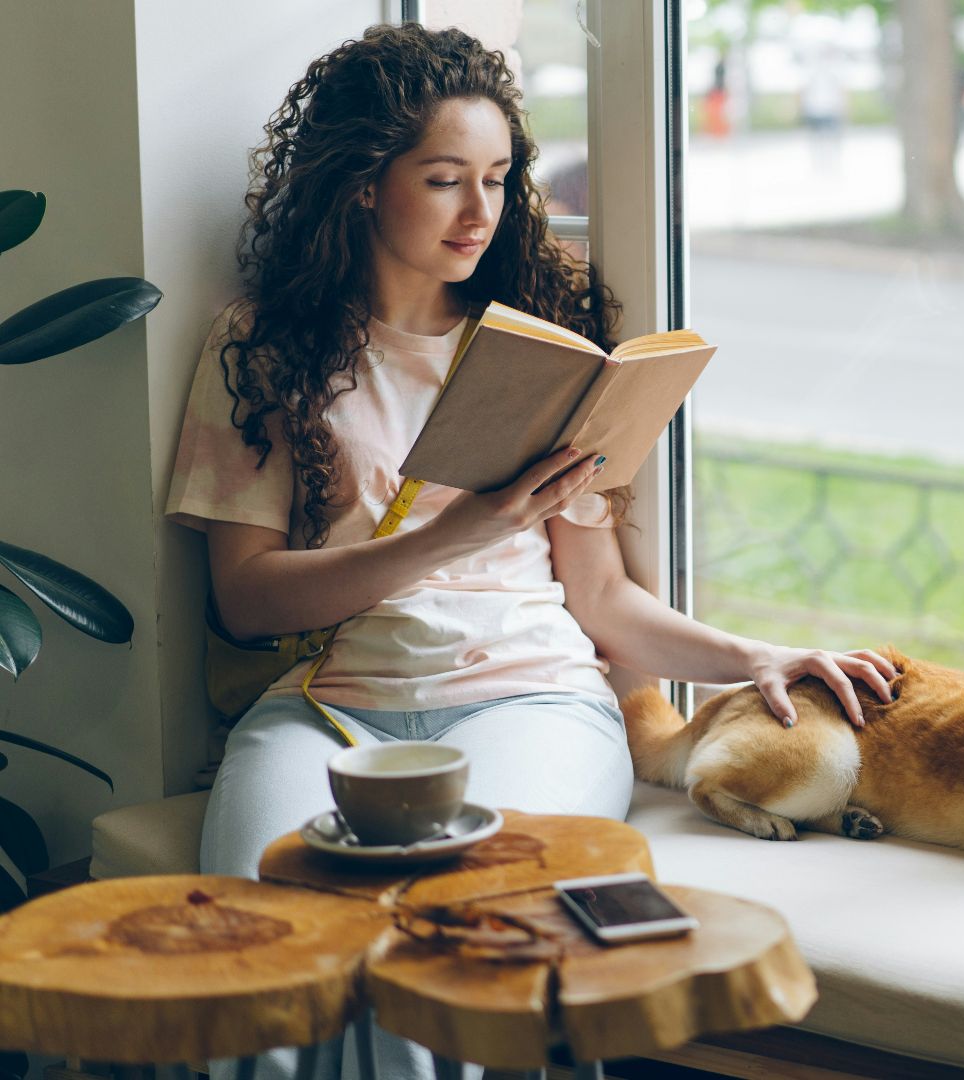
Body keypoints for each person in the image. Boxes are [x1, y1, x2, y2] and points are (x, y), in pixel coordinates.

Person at [164, 24, 895, 1080]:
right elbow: (245, 600)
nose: (480, 212)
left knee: (454, 953)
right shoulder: (265, 349)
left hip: (530, 703)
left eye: (498, 180)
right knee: (262, 958)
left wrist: (756, 659)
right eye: (446, 179)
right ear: (366, 183)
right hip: (332, 707)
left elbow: (600, 601)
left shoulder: (540, 344)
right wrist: (455, 533)